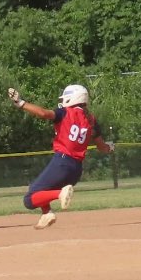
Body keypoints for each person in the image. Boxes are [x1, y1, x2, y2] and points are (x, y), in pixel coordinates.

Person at [6, 83, 113, 229]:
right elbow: (102, 147)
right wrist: (110, 147)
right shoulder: (91, 119)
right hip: (76, 169)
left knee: (29, 200)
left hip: (62, 163)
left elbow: (44, 113)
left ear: (72, 98)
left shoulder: (66, 112)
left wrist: (21, 103)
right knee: (38, 188)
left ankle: (60, 194)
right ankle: (47, 213)